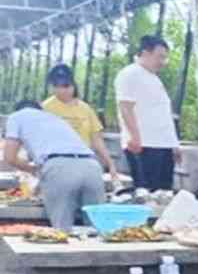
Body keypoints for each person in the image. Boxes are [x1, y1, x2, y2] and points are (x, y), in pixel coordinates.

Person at [3, 100, 108, 230]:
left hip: (59, 167)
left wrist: (33, 170)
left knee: (62, 231)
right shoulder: (55, 118)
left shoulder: (16, 117)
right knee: (98, 227)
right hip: (92, 166)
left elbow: (9, 157)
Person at [115, 35, 180, 191]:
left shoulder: (154, 78)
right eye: (160, 57)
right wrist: (134, 136)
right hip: (144, 144)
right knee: (147, 192)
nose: (162, 62)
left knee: (164, 192)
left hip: (162, 144)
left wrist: (174, 144)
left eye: (165, 58)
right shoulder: (130, 74)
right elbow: (125, 107)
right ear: (145, 53)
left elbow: (164, 114)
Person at [42, 65, 119, 189]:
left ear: (73, 84)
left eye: (66, 85)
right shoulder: (45, 108)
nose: (62, 90)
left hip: (85, 161)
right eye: (57, 86)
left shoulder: (85, 109)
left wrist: (110, 164)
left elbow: (97, 140)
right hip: (57, 162)